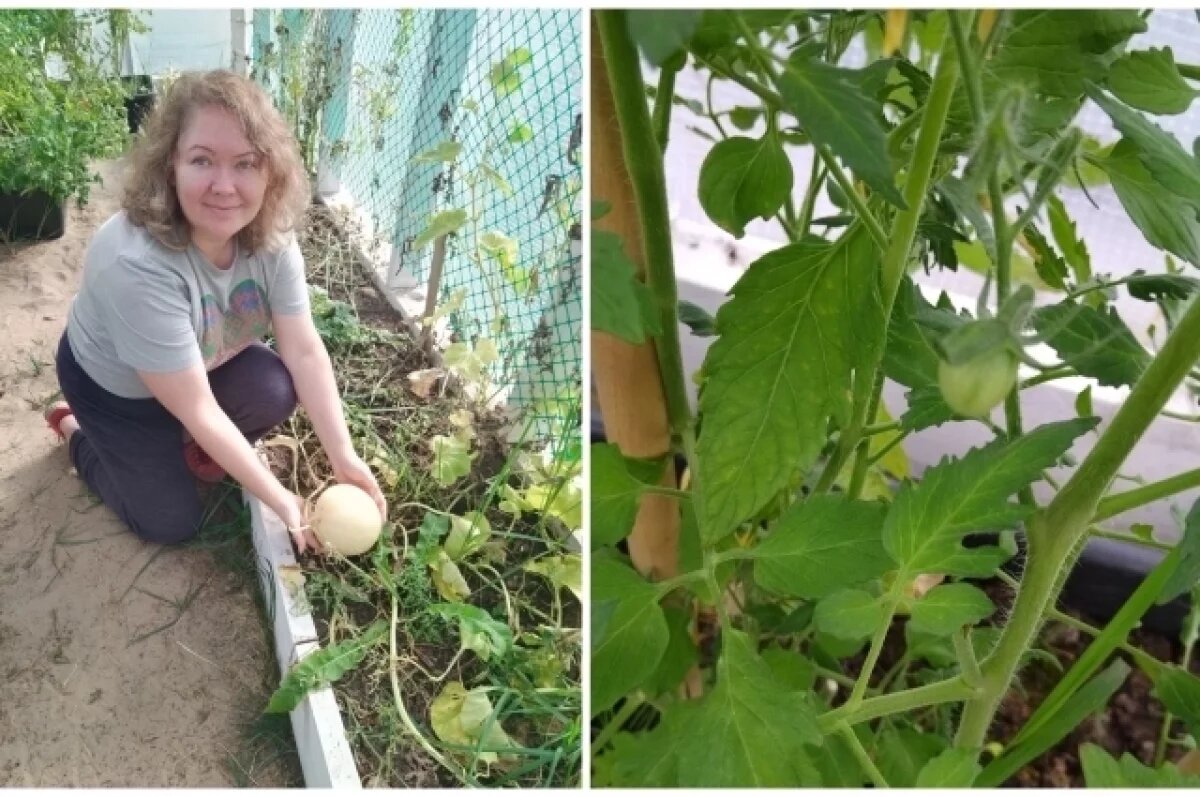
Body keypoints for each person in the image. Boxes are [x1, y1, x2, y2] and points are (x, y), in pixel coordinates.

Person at [44, 69, 386, 554]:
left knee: (272, 388)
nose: (224, 186)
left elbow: (304, 350)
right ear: (171, 168)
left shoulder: (270, 239)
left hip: (198, 366)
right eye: (202, 160)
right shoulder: (136, 264)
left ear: (271, 172)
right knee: (169, 523)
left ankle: (178, 448)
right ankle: (79, 431)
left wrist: (343, 456)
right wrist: (281, 500)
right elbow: (200, 408)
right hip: (115, 393)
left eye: (245, 163)